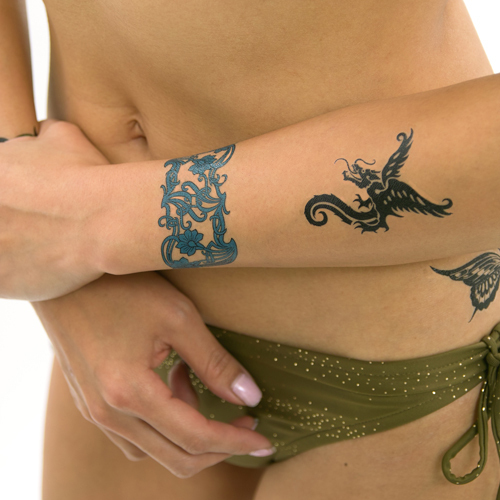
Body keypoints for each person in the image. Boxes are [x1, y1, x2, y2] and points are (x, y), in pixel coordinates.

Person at [1, 0, 500, 499]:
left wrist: (87, 226)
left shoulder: (87, 232)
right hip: (121, 335)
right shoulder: (87, 258)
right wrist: (40, 227)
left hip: (398, 383)